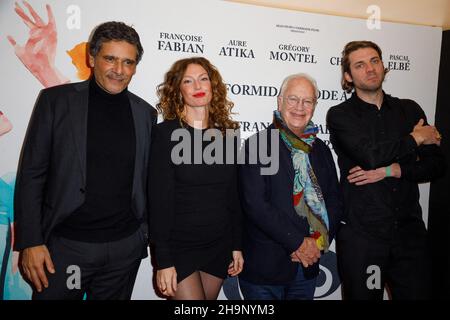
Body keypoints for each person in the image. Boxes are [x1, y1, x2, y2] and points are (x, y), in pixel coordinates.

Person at [14, 21, 157, 300]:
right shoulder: (56, 101)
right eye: (110, 59)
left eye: (128, 62)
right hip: (67, 250)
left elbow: (148, 179)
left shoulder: (145, 114)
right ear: (92, 58)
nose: (119, 70)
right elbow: (33, 174)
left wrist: (142, 235)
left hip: (123, 251)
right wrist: (31, 241)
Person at [326, 40, 445, 300]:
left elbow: (437, 164)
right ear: (348, 76)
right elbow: (369, 156)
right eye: (360, 64)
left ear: (383, 65)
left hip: (410, 236)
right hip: (363, 239)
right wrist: (415, 138)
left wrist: (393, 170)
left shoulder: (410, 109)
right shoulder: (340, 115)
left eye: (374, 61)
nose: (370, 68)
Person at [238, 73, 342, 300]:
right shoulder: (258, 145)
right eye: (293, 99)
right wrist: (297, 243)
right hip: (264, 270)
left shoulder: (322, 151)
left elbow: (334, 200)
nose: (299, 107)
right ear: (280, 101)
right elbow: (255, 204)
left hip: (307, 268)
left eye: (307, 101)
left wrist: (318, 243)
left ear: (315, 106)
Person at [149, 57, 244, 300]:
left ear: (213, 86)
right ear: (178, 90)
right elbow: (158, 202)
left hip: (218, 244)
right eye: (188, 81)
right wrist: (163, 259)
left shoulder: (228, 135)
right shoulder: (165, 134)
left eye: (203, 79)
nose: (197, 86)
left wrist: (236, 244)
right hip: (180, 247)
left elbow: (233, 197)